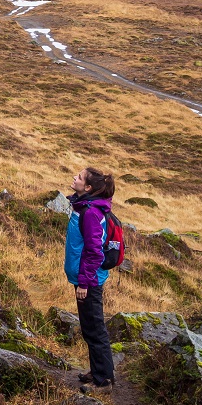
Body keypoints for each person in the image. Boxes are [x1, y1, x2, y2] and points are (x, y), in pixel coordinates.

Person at [65, 166, 116, 390]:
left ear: (87, 187)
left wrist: (84, 282)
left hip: (90, 281)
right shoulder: (85, 206)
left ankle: (104, 380)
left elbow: (94, 252)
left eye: (79, 177)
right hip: (86, 277)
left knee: (95, 328)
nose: (74, 178)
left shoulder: (90, 213)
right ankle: (98, 372)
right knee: (89, 327)